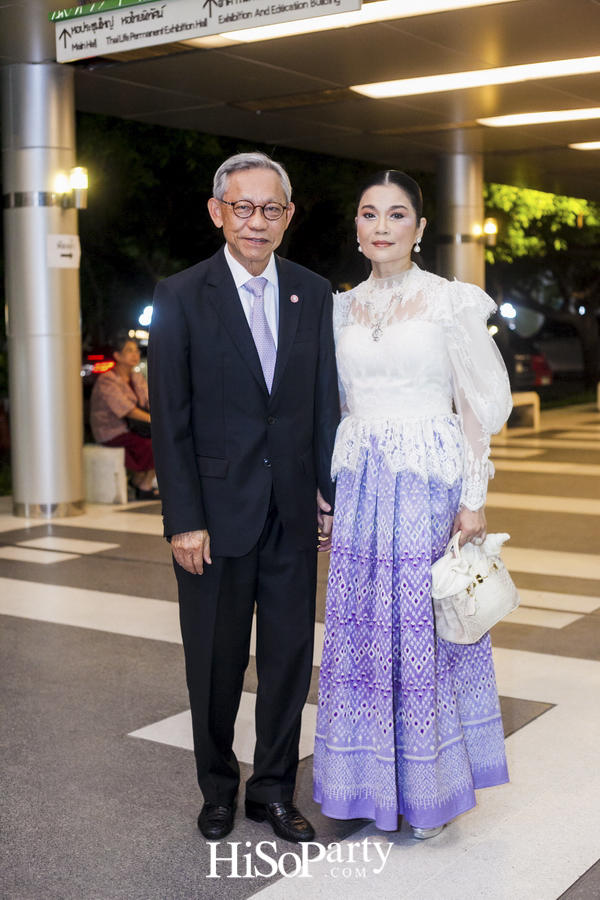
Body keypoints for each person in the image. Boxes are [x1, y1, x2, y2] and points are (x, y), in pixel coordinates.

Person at [314, 170, 513, 840]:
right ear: (357, 227)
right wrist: (329, 486)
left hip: (427, 481)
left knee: (424, 631)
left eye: (396, 215)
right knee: (363, 635)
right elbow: (336, 404)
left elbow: (475, 405)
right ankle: (363, 785)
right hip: (364, 482)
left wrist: (473, 497)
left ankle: (430, 788)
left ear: (420, 229)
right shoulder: (340, 308)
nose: (380, 227)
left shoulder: (448, 302)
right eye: (369, 214)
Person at [148, 152, 340, 843]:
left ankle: (273, 790)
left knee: (289, 659)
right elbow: (169, 417)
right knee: (215, 662)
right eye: (243, 207)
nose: (256, 222)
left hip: (291, 512)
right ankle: (218, 787)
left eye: (271, 209)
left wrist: (327, 491)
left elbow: (322, 405)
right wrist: (184, 520)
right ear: (217, 211)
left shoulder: (314, 293)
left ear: (288, 217)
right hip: (214, 517)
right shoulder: (180, 294)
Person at [90, 335, 158, 500]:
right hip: (113, 430)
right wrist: (153, 421)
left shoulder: (137, 377)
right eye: (129, 351)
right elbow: (126, 410)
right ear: (117, 356)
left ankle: (140, 481)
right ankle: (143, 485)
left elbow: (150, 400)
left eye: (136, 351)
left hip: (135, 428)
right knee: (152, 444)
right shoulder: (107, 379)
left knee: (164, 441)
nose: (135, 355)